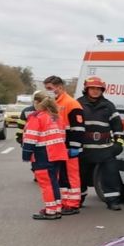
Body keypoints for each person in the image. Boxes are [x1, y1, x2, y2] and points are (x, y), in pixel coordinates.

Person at [79, 76, 124, 210]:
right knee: (80, 176)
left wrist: (118, 145)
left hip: (105, 149)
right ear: (86, 89)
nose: (95, 91)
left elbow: (118, 127)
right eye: (92, 88)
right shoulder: (78, 104)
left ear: (102, 90)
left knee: (110, 176)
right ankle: (78, 200)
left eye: (98, 89)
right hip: (84, 149)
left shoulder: (108, 106)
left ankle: (113, 201)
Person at [21, 91, 67, 220]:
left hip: (43, 153)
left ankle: (51, 211)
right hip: (57, 153)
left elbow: (30, 138)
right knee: (54, 182)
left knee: (46, 184)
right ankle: (56, 208)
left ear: (36, 103)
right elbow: (63, 136)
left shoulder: (37, 117)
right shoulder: (57, 117)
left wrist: (26, 155)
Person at [45, 75, 85, 214]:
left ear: (60, 87)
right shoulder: (52, 104)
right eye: (46, 89)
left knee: (71, 175)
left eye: (50, 88)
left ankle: (73, 204)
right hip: (58, 146)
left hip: (69, 146)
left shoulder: (71, 103)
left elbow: (78, 127)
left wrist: (74, 147)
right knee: (61, 175)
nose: (48, 91)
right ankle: (64, 202)